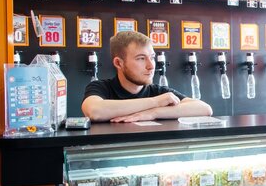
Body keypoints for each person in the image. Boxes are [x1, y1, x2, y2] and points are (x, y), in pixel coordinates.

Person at [82, 31, 212, 122]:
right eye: (141, 58)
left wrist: (153, 113)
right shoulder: (101, 87)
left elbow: (205, 109)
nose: (151, 66)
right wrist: (156, 102)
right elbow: (95, 111)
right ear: (118, 63)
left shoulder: (158, 91)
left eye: (152, 58)